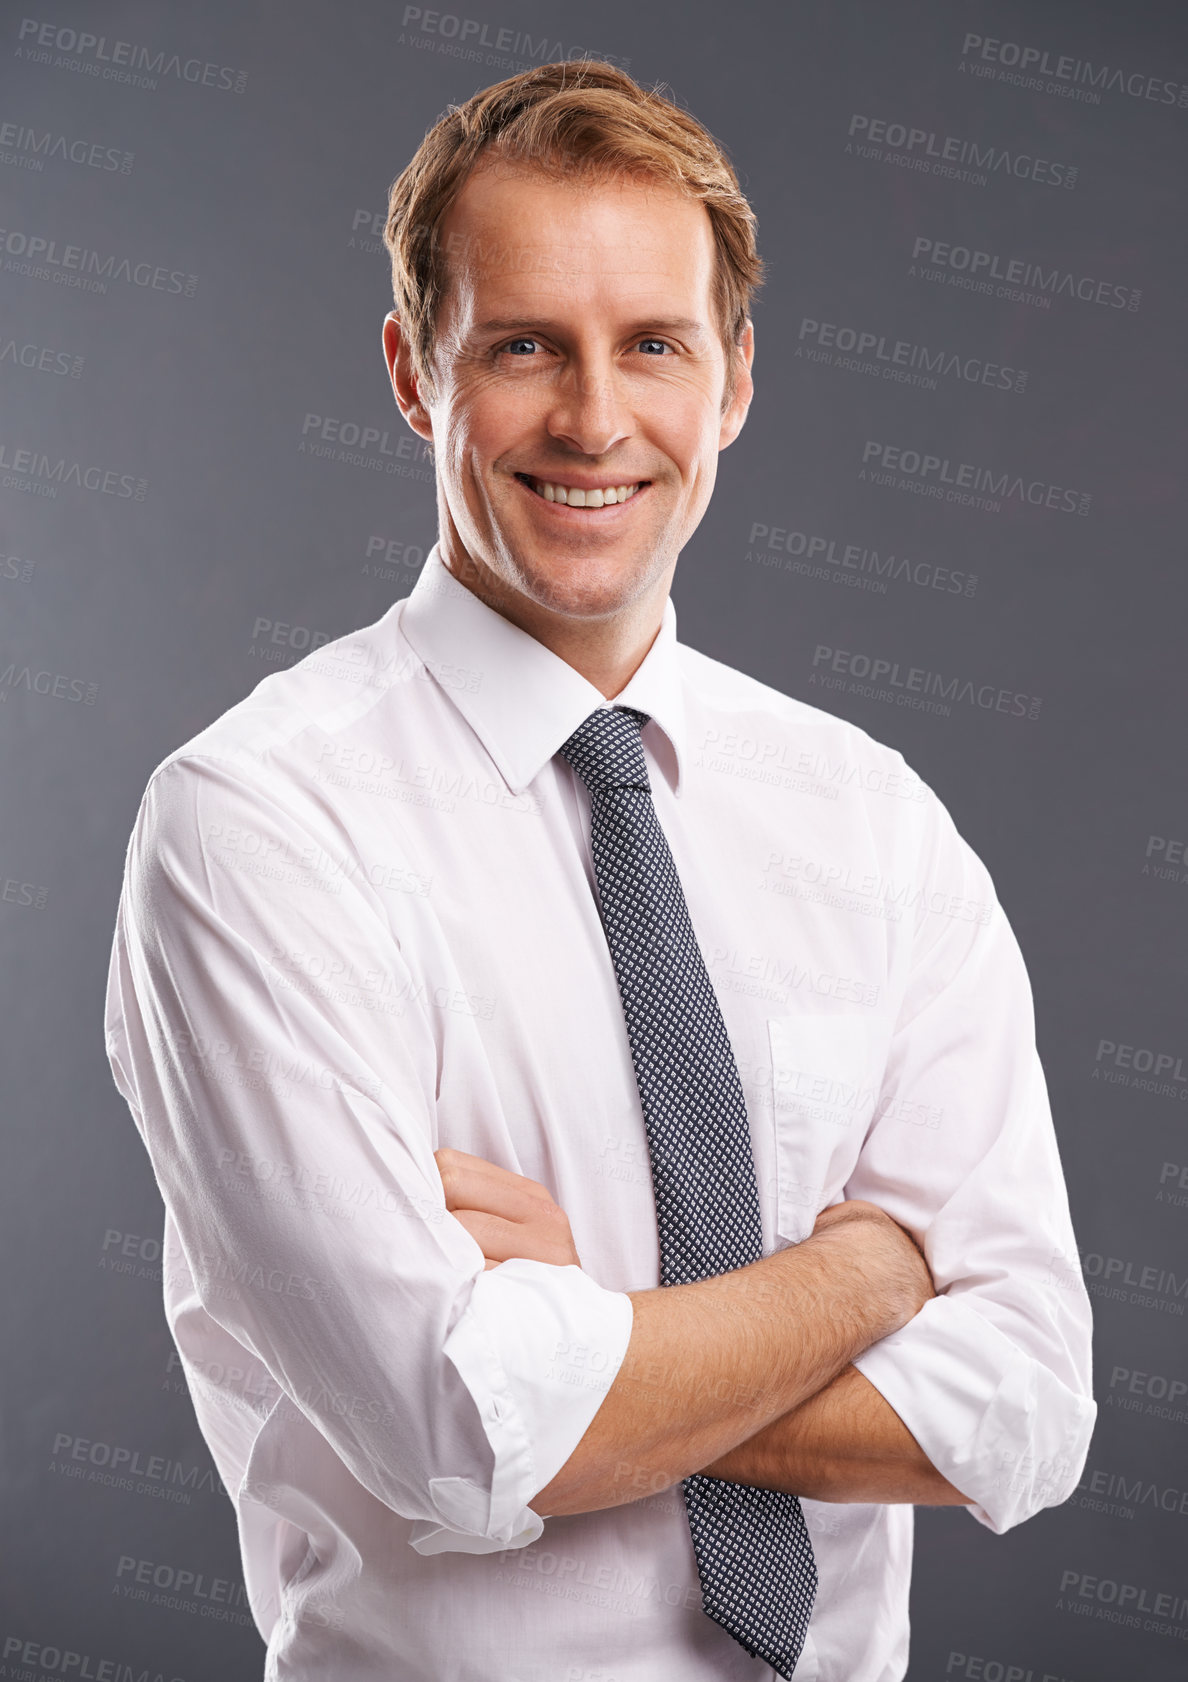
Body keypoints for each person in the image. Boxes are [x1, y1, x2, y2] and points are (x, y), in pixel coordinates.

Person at [103, 60, 1095, 1682]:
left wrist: (594, 1331)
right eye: (522, 347)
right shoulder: (256, 827)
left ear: (736, 380)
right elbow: (462, 1429)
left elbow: (1030, 1402)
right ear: (416, 375)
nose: (593, 418)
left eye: (653, 344)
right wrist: (866, 1267)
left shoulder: (875, 821)